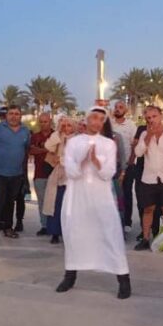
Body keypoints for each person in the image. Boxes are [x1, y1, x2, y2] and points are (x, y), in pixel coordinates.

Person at [55, 107, 131, 300]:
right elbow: (70, 171)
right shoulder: (74, 142)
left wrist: (96, 162)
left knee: (111, 234)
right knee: (74, 236)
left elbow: (109, 173)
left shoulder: (109, 144)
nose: (97, 122)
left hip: (101, 197)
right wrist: (82, 161)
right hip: (77, 197)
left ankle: (123, 279)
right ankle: (70, 276)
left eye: (101, 119)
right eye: (94, 118)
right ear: (87, 120)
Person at [133, 106, 163, 251]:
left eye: (154, 116)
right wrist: (148, 136)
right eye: (148, 118)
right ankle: (145, 239)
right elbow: (138, 153)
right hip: (148, 178)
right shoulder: (144, 134)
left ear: (161, 116)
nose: (151, 120)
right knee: (148, 209)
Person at [0, 104, 30, 243]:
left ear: (20, 116)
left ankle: (8, 228)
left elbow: (26, 148)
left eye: (16, 114)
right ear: (7, 115)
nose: (14, 116)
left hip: (16, 173)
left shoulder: (25, 131)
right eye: (11, 113)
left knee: (10, 202)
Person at [43, 116, 77, 245]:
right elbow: (48, 146)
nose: (66, 128)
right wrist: (58, 132)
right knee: (56, 205)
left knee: (70, 206)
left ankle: (69, 232)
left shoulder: (78, 139)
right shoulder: (57, 136)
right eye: (64, 125)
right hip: (57, 175)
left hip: (72, 177)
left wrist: (62, 160)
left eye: (69, 125)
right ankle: (55, 233)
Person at [111, 100, 139, 228]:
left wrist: (131, 162)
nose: (118, 109)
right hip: (112, 165)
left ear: (125, 110)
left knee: (127, 193)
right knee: (114, 193)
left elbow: (135, 144)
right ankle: (115, 221)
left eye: (121, 107)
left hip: (127, 165)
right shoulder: (109, 124)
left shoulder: (131, 125)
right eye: (116, 107)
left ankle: (127, 222)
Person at [29, 112, 54, 236]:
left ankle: (54, 226)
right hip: (39, 174)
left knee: (54, 201)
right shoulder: (35, 136)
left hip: (54, 174)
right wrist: (46, 149)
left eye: (46, 121)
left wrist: (40, 150)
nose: (43, 124)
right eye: (41, 122)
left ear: (50, 122)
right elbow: (31, 150)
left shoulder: (56, 135)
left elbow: (57, 151)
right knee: (42, 201)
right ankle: (44, 225)